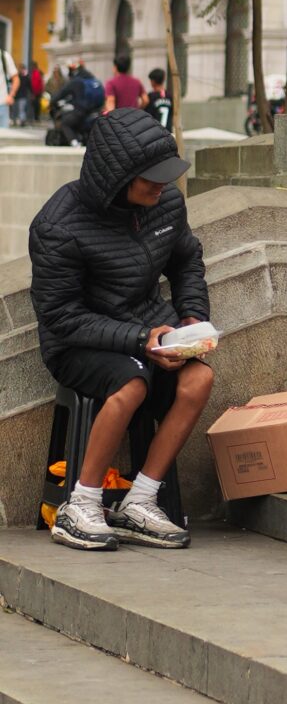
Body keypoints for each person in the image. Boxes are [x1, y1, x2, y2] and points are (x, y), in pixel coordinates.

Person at [29, 107, 213, 551]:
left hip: (148, 331)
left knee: (199, 378)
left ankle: (141, 501)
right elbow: (61, 317)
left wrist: (190, 315)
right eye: (150, 177)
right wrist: (139, 340)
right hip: (78, 343)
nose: (162, 184)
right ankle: (81, 505)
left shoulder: (165, 203)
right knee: (131, 381)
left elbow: (186, 259)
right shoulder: (58, 225)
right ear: (117, 178)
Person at [52, 60, 104, 146]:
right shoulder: (91, 78)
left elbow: (62, 93)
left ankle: (74, 142)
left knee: (65, 123)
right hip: (96, 110)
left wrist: (52, 102)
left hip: (81, 111)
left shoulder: (76, 81)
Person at [1, 47, 20, 129]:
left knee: (3, 139)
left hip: (2, 104)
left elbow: (16, 79)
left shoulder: (4, 56)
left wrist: (11, 95)